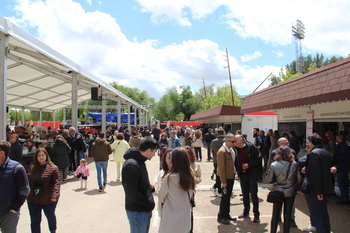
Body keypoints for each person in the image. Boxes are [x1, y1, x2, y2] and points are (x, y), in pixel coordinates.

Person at [122, 137, 159, 233]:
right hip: (137, 211)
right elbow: (131, 193)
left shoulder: (139, 161)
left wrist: (149, 188)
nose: (154, 155)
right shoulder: (132, 165)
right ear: (148, 150)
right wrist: (147, 202)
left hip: (142, 210)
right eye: (154, 152)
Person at [300, 133, 334, 233]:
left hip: (315, 189)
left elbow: (316, 174)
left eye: (309, 142)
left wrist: (318, 192)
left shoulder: (314, 153)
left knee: (317, 213)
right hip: (323, 187)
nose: (308, 144)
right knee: (323, 212)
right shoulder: (324, 152)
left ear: (312, 142)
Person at [157, 147, 195, 233]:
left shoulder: (169, 178)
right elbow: (191, 194)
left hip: (170, 219)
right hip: (185, 218)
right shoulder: (190, 176)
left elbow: (160, 196)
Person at [266, 146, 302, 233]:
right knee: (288, 215)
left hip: (278, 191)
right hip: (290, 191)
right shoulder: (294, 164)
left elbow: (269, 180)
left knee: (275, 215)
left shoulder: (274, 165)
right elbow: (299, 179)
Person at [27, 148, 60, 233]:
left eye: (42, 155)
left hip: (48, 199)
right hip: (33, 199)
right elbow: (28, 182)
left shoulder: (53, 168)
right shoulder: (32, 168)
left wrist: (55, 195)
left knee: (50, 216)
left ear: (46, 156)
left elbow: (57, 183)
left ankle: (53, 230)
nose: (41, 157)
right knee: (35, 221)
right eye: (39, 155)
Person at [0, 140, 30, 233]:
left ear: (1, 153)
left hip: (8, 213)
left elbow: (25, 189)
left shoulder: (17, 168)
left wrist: (15, 208)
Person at [234, 134, 263, 223]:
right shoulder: (235, 149)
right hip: (242, 175)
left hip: (252, 175)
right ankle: (246, 211)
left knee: (253, 195)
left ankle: (256, 215)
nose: (235, 142)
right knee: (245, 194)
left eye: (236, 140)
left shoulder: (251, 147)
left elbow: (259, 159)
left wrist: (248, 165)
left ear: (242, 140)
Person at [217, 133, 237, 225]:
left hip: (231, 176)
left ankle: (226, 214)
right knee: (225, 198)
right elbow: (221, 168)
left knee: (228, 197)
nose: (234, 143)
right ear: (227, 141)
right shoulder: (222, 151)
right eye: (233, 141)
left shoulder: (230, 150)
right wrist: (223, 181)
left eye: (234, 141)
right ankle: (221, 216)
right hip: (226, 178)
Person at [333, 134, 350, 205]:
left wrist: (334, 155)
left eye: (337, 139)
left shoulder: (342, 147)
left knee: (341, 183)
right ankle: (346, 197)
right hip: (345, 167)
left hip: (341, 167)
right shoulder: (345, 146)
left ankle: (344, 198)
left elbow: (342, 156)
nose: (336, 140)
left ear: (340, 139)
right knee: (345, 182)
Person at [209, 129, 225, 196]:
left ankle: (218, 189)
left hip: (216, 159)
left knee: (218, 175)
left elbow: (211, 149)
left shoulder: (214, 141)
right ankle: (222, 188)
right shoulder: (226, 141)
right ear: (223, 133)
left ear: (218, 133)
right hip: (224, 159)